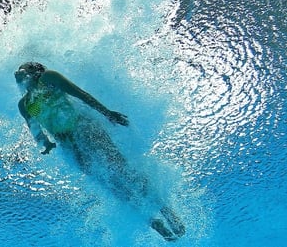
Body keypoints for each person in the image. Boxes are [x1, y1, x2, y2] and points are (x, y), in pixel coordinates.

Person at [15, 62, 185, 241]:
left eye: (26, 68)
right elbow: (35, 129)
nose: (21, 72)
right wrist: (46, 144)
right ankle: (153, 222)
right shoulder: (24, 104)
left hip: (86, 129)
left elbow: (81, 95)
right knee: (111, 186)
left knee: (124, 171)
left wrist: (108, 113)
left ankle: (166, 211)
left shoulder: (48, 78)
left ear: (36, 71)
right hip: (71, 148)